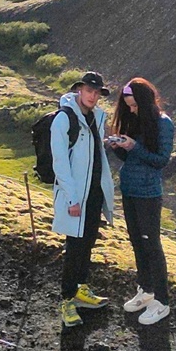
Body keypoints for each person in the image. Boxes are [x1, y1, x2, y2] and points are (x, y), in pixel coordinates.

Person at [50, 71, 120, 327]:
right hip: (76, 195)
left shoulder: (96, 117)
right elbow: (60, 163)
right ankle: (67, 300)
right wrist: (72, 199)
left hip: (93, 194)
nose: (93, 96)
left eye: (97, 92)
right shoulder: (64, 119)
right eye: (89, 90)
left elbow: (91, 156)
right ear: (79, 89)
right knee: (75, 247)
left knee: (88, 242)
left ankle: (80, 289)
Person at [106, 76, 176, 326]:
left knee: (151, 245)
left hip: (148, 194)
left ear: (145, 102)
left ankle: (162, 301)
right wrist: (119, 147)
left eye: (135, 105)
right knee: (137, 242)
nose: (132, 110)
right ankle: (146, 290)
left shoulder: (163, 124)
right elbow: (132, 159)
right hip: (129, 190)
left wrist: (134, 146)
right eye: (128, 106)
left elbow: (161, 161)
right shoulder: (135, 120)